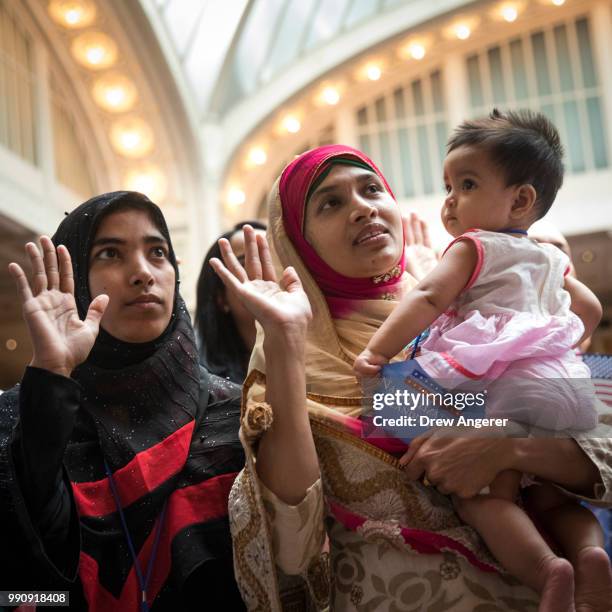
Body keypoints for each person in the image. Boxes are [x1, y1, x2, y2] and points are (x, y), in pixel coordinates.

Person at [210, 144, 612, 611]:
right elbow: (291, 549)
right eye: (331, 203)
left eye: (371, 189)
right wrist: (286, 341)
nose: (362, 208)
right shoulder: (291, 353)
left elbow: (599, 448)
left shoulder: (475, 307)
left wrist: (506, 448)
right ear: (301, 243)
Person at [354, 109, 610, 606]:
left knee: (486, 495)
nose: (450, 201)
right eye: (448, 186)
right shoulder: (550, 255)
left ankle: (546, 570)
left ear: (520, 200)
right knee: (554, 496)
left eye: (466, 185)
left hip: (500, 383)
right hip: (563, 383)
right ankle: (590, 555)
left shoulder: (471, 247)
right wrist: (571, 343)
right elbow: (590, 308)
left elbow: (426, 296)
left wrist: (376, 350)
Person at [0, 192, 246, 611]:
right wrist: (52, 379)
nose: (142, 273)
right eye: (111, 253)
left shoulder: (237, 412)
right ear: (75, 277)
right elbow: (17, 590)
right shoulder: (21, 417)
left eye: (158, 252)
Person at [195, 221, 267, 383]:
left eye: (274, 256)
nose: (268, 270)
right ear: (221, 298)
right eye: (247, 263)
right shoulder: (205, 385)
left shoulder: (326, 357)